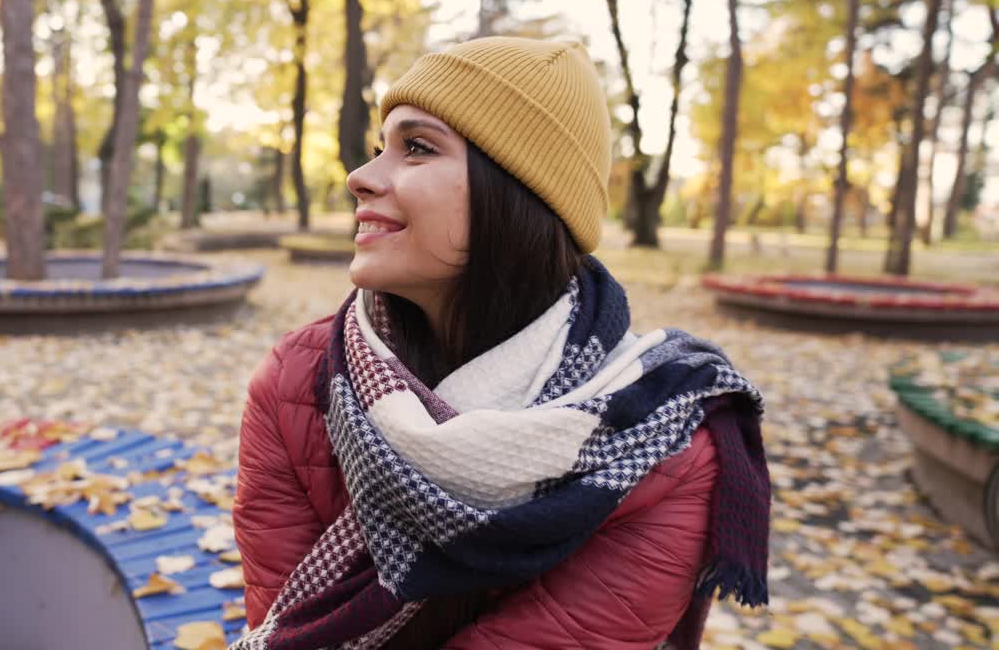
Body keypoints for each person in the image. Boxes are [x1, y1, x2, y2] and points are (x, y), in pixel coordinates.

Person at [231, 37, 770, 650]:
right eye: (380, 147)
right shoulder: (299, 381)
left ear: (519, 195)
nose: (360, 177)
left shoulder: (660, 436)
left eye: (417, 147)